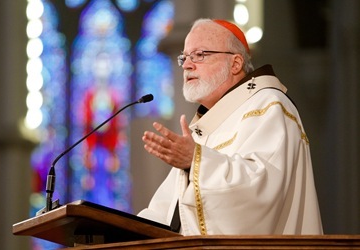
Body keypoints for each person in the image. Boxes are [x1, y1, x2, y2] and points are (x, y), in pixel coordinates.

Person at [138, 18, 323, 235]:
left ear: (235, 64)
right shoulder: (206, 124)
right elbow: (166, 212)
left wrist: (195, 160)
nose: (187, 65)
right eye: (184, 57)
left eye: (200, 55)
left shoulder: (269, 105)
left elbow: (259, 191)